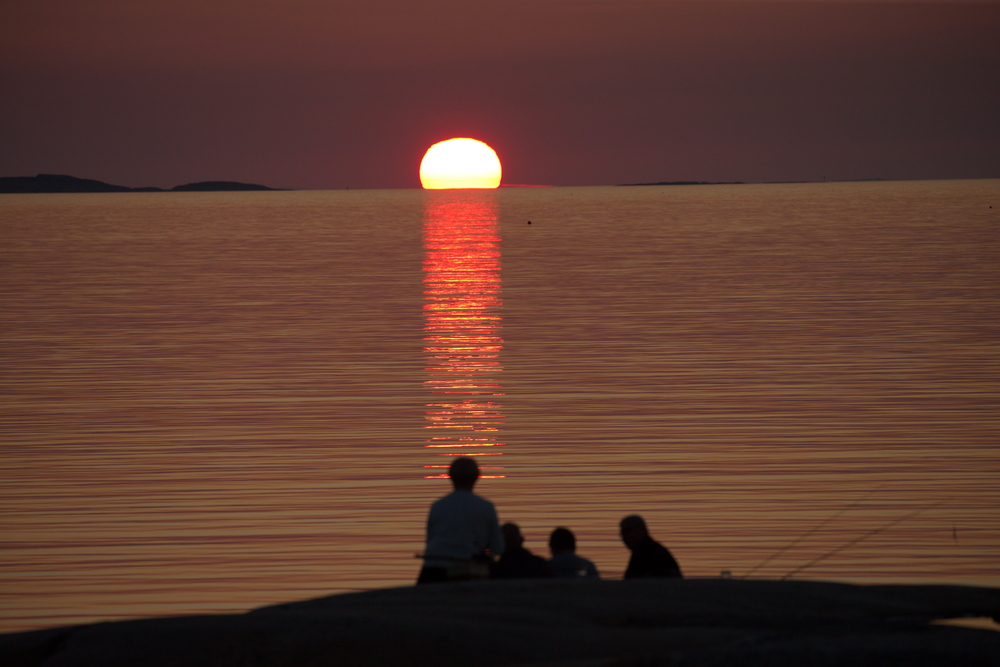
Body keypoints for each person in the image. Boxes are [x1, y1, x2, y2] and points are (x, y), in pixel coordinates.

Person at [417, 457, 505, 584]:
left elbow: (430, 540)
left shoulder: (437, 506)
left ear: (450, 476)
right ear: (477, 477)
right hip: (465, 571)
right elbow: (497, 548)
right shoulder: (485, 507)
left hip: (432, 568)